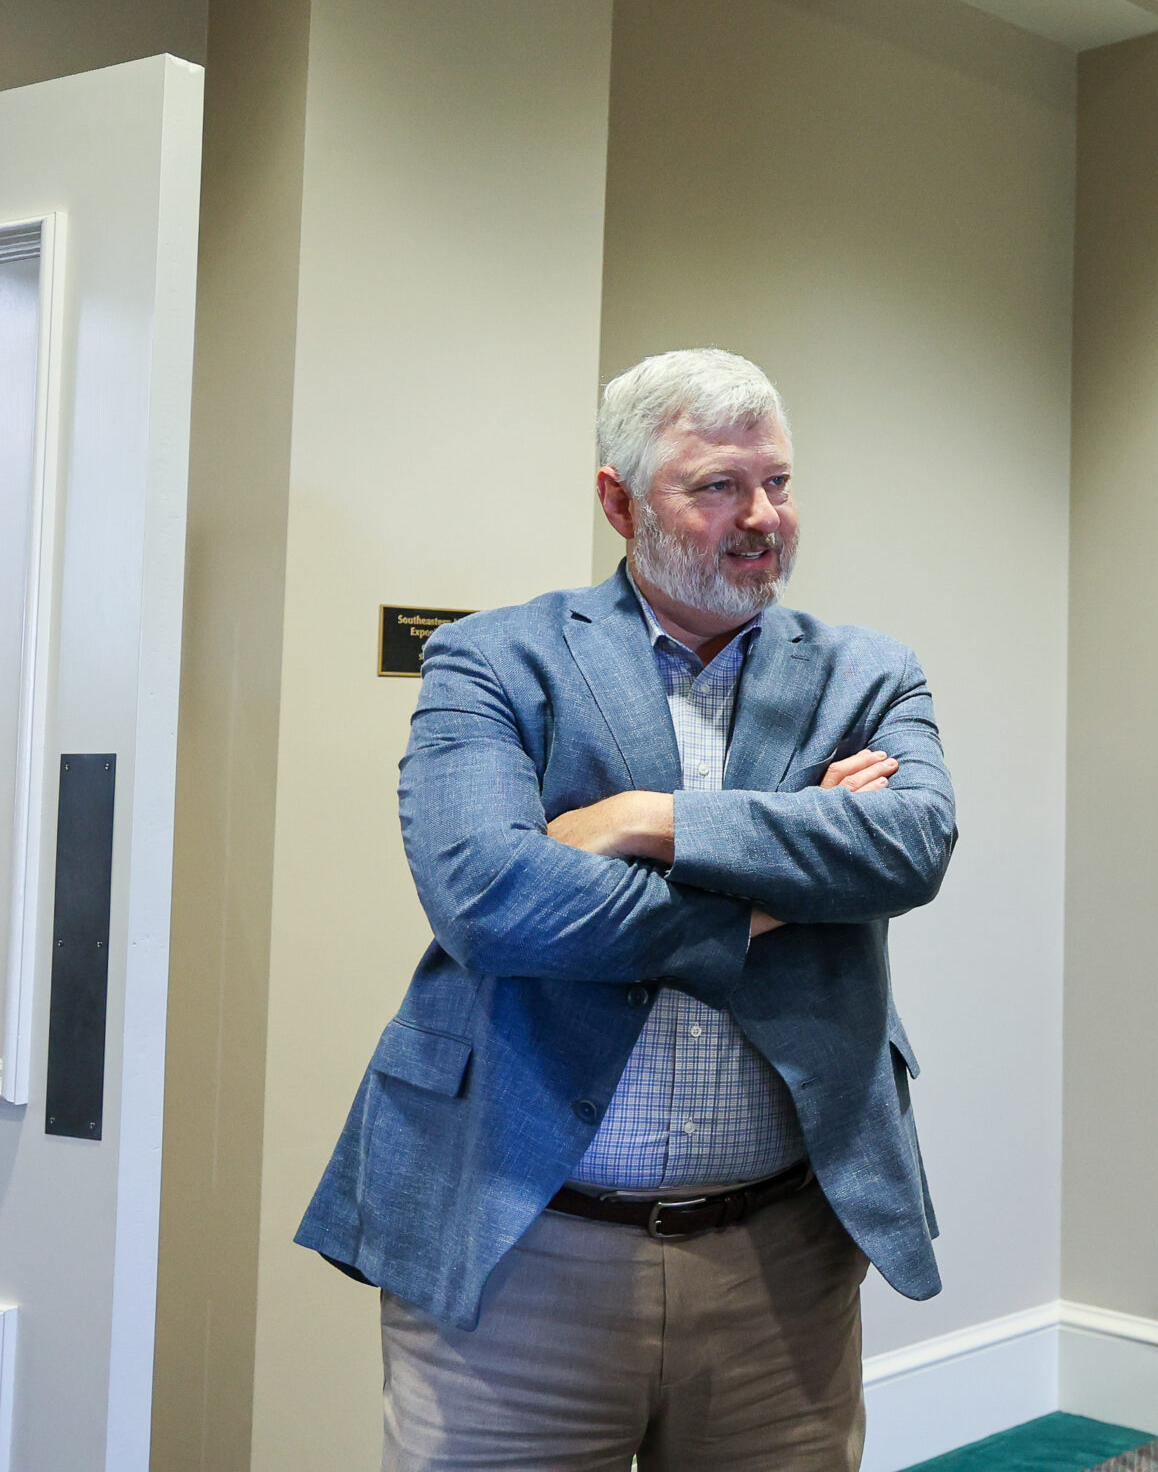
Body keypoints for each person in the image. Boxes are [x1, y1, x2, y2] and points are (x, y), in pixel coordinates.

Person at [297, 347, 958, 1471]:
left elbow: (907, 846)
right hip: (522, 1244)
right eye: (715, 487)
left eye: (779, 483)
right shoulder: (494, 661)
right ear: (617, 500)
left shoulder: (867, 674)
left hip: (780, 1260)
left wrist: (649, 818)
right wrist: (769, 894)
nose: (761, 518)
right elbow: (491, 896)